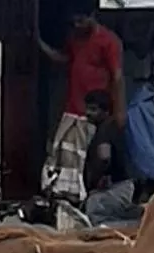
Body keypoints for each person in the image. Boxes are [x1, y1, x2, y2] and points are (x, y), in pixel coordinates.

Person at [37, 11, 123, 205]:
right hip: (72, 110)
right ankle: (66, 197)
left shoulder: (108, 41)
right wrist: (39, 44)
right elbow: (64, 59)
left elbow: (117, 77)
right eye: (73, 21)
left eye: (81, 20)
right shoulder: (74, 39)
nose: (77, 25)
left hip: (96, 113)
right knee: (63, 157)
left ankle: (85, 196)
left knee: (95, 158)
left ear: (92, 15)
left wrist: (119, 111)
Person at [81, 89, 140, 226]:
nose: (88, 113)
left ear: (106, 112)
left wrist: (97, 179)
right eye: (88, 108)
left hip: (114, 188)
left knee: (99, 219)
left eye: (93, 109)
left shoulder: (105, 130)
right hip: (121, 187)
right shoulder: (111, 128)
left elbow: (104, 156)